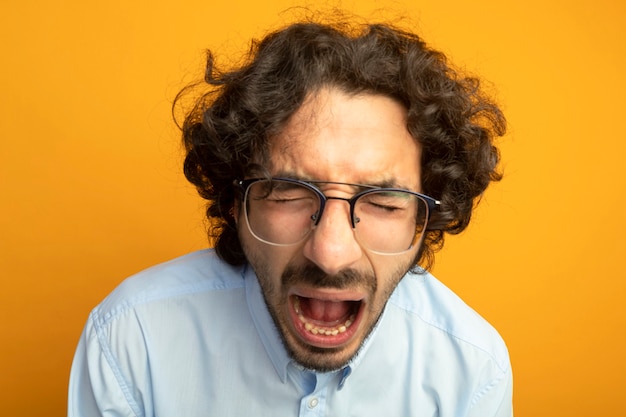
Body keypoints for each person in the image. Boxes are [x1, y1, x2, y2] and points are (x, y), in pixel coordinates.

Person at [68, 17, 512, 417]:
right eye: (289, 193)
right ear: (235, 204)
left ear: (423, 219)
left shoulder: (473, 372)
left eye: (383, 201)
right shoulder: (130, 339)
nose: (331, 253)